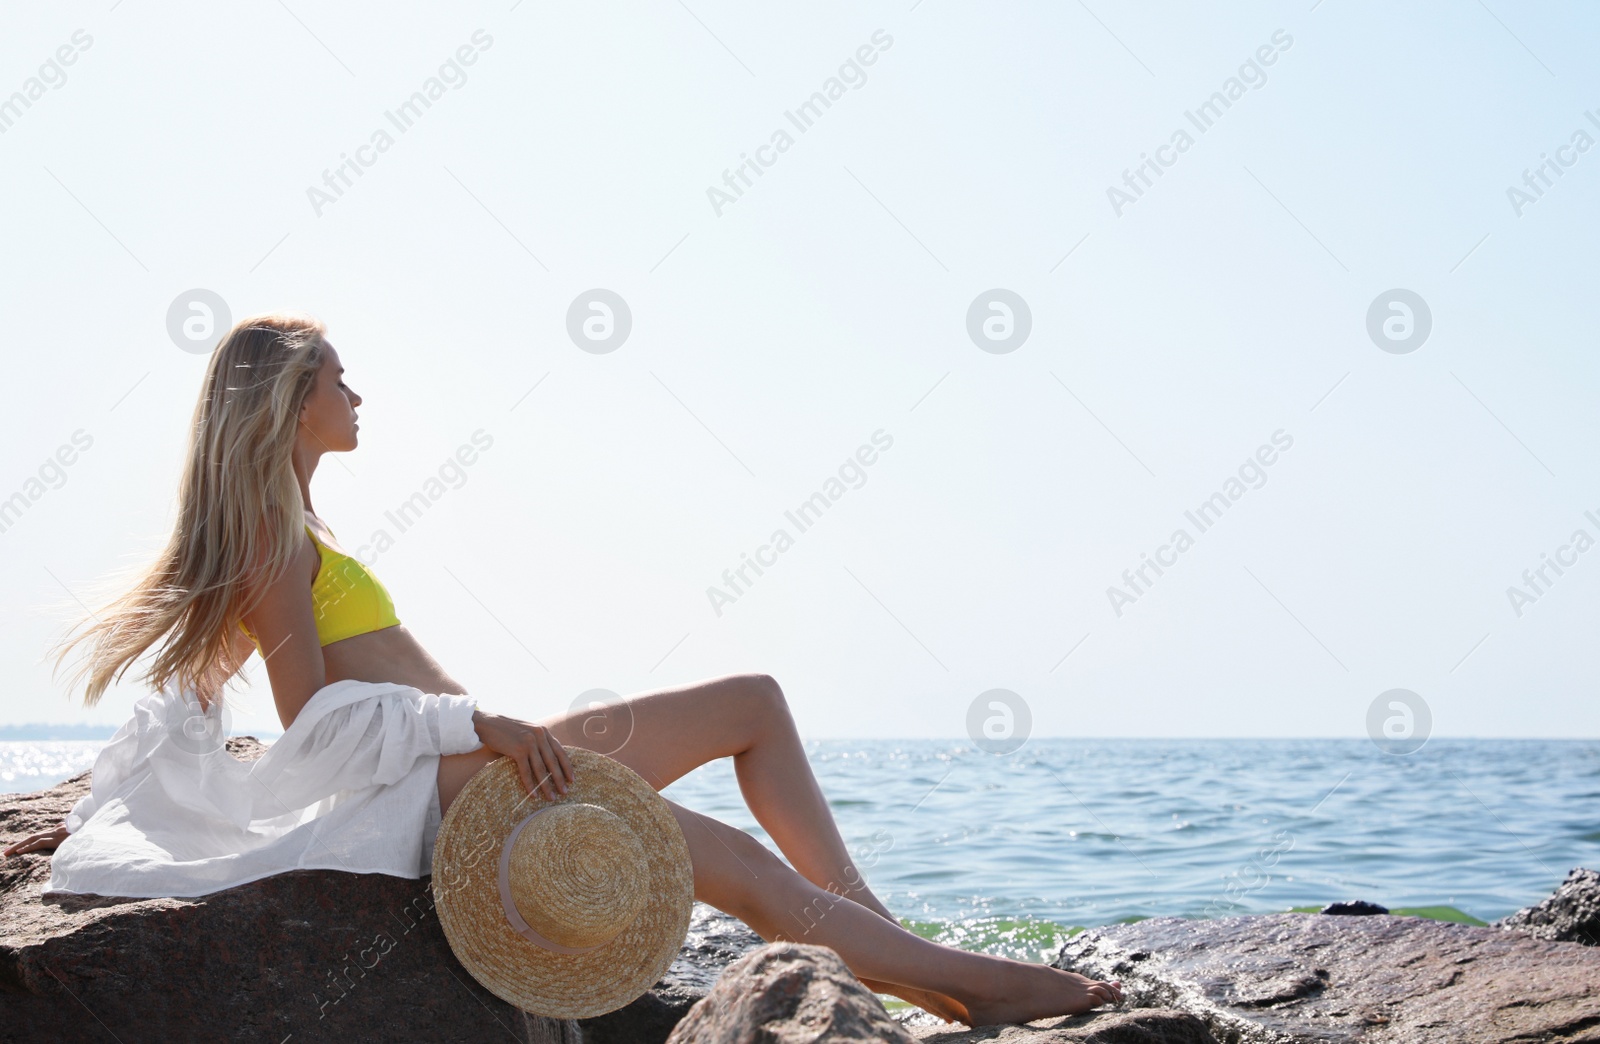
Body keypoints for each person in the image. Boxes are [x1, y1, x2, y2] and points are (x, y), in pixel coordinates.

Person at [3, 312, 1123, 1027]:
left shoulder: (299, 528)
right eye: (341, 379)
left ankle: (889, 942)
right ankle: (966, 981)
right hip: (451, 777)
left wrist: (476, 727)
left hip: (468, 758)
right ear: (294, 401)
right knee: (731, 860)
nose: (359, 396)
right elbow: (315, 721)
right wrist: (473, 723)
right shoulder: (272, 539)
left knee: (755, 705)